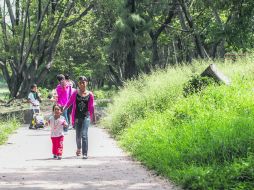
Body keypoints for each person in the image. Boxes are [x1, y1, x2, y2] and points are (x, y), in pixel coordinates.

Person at [64, 76, 94, 159]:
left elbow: (91, 107)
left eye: (84, 82)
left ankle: (85, 153)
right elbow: (69, 102)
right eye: (81, 82)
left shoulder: (90, 94)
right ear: (78, 84)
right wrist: (63, 109)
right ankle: (79, 148)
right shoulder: (75, 93)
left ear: (86, 83)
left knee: (84, 134)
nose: (82, 84)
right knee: (78, 136)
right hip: (77, 117)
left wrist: (93, 117)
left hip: (86, 117)